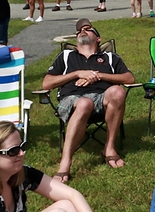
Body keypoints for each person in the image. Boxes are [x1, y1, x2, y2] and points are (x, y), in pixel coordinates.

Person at [42, 19, 134, 182]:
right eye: (79, 31)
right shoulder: (66, 56)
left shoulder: (109, 57)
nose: (82, 31)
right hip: (71, 100)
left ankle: (109, 149)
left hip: (101, 101)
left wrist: (97, 75)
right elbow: (47, 83)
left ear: (98, 38)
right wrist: (78, 73)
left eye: (88, 29)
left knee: (118, 91)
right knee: (85, 103)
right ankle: (65, 163)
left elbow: (129, 78)